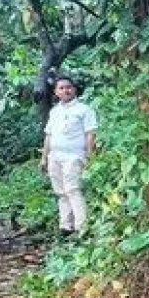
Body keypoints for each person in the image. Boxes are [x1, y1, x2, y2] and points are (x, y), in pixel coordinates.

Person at [40, 76, 97, 236]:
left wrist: (89, 155)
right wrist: (44, 157)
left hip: (74, 155)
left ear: (74, 89)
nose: (66, 90)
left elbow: (90, 134)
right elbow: (48, 135)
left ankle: (82, 228)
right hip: (55, 155)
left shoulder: (84, 110)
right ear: (56, 92)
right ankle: (66, 226)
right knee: (61, 192)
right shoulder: (54, 111)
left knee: (73, 189)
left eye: (69, 87)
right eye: (62, 88)